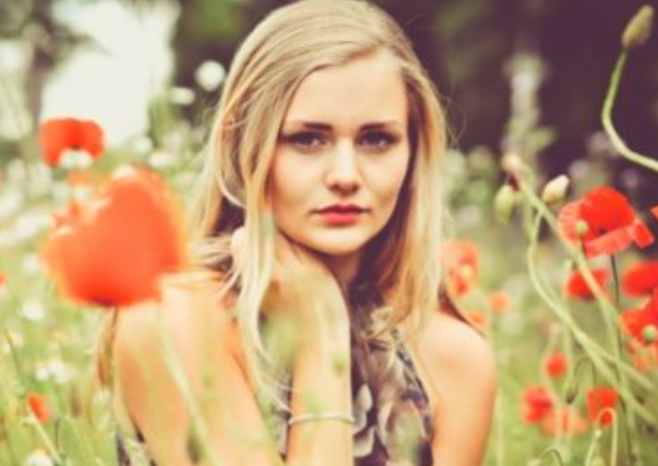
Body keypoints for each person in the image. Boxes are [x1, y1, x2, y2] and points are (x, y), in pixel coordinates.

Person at [100, 0, 497, 465]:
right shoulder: (174, 321)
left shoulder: (456, 362)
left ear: (413, 154)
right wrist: (320, 335)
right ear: (242, 146)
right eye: (307, 139)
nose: (345, 175)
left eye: (376, 139)